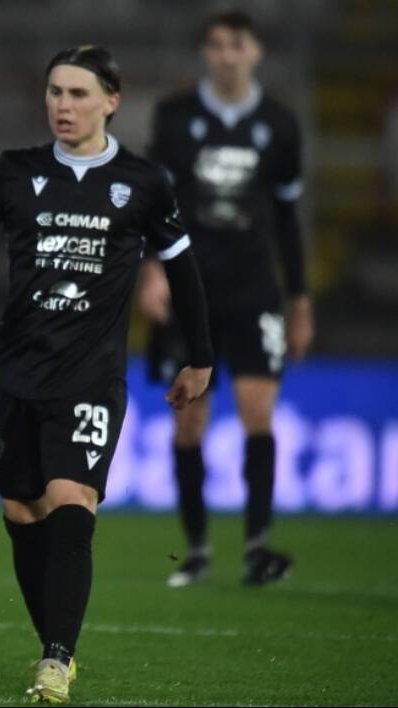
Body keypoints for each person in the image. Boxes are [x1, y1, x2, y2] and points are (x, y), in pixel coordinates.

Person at [0, 46, 213, 704]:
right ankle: (55, 642)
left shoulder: (143, 181)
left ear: (111, 101)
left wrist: (201, 357)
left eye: (78, 94)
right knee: (22, 509)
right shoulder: (17, 170)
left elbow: (183, 269)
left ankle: (55, 658)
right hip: (14, 371)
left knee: (73, 497)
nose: (63, 105)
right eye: (55, 92)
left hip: (91, 374)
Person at [138, 9, 311, 588]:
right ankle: (197, 549)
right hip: (190, 289)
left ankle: (257, 545)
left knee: (258, 412)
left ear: (255, 51)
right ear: (205, 53)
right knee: (189, 423)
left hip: (255, 288)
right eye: (216, 45)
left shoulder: (280, 124)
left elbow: (287, 218)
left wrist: (300, 299)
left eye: (236, 44)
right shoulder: (174, 117)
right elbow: (154, 204)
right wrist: (153, 270)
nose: (226, 55)